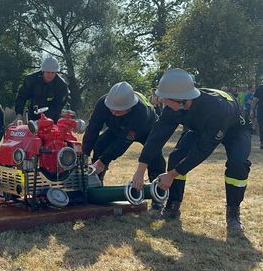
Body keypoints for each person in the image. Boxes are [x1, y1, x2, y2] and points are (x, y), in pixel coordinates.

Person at [131, 68, 251, 234]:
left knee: (238, 164)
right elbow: (156, 137)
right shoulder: (173, 106)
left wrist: (171, 175)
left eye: (166, 99)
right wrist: (140, 169)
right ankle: (172, 206)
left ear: (182, 100)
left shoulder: (217, 108)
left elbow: (202, 149)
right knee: (176, 157)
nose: (163, 102)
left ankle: (233, 214)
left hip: (235, 128)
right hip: (200, 128)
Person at [82, 82, 165, 213]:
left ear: (130, 107)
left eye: (118, 110)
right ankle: (96, 185)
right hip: (118, 127)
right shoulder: (103, 103)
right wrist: (84, 153)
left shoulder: (140, 112)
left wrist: (103, 161)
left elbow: (122, 142)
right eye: (111, 109)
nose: (114, 112)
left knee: (155, 158)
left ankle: (158, 198)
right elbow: (93, 128)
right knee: (100, 146)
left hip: (147, 128)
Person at [15, 56, 69, 122]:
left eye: (53, 73)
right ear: (43, 71)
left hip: (52, 118)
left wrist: (46, 119)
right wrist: (19, 114)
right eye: (48, 72)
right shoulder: (31, 80)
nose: (50, 75)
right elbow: (21, 97)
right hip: (33, 116)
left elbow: (59, 105)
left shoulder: (61, 85)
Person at [250, 83, 263, 148]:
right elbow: (254, 100)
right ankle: (262, 142)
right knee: (261, 126)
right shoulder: (260, 88)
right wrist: (252, 110)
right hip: (261, 110)